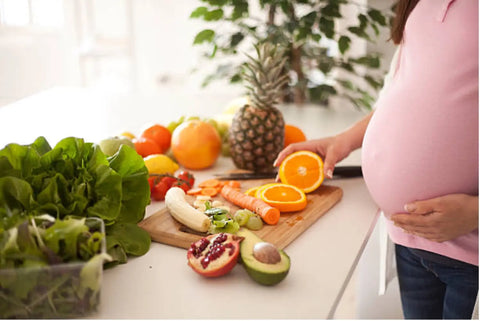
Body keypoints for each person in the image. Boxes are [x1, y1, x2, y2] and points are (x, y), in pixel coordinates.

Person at [274, 0, 478, 319]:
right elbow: (406, 94)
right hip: (409, 240)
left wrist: (475, 214)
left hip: (471, 256)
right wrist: (344, 141)